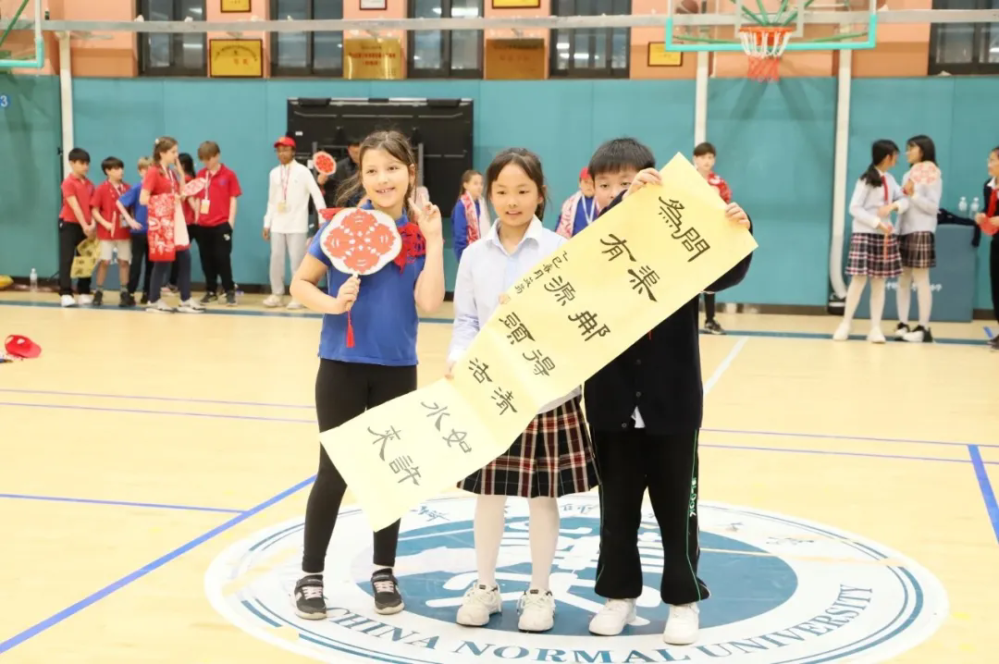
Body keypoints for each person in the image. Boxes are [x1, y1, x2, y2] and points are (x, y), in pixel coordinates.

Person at [582, 138, 752, 645]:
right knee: (617, 512)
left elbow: (727, 271)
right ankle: (619, 595)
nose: (620, 191)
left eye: (630, 181)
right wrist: (621, 205)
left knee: (678, 512)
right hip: (611, 401)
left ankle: (682, 599)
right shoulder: (593, 240)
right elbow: (590, 257)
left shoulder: (681, 245)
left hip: (673, 403)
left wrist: (738, 230)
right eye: (607, 185)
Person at [288, 130, 446, 620]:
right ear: (362, 176)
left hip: (397, 369)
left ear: (410, 174)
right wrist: (333, 303)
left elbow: (428, 302)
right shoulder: (341, 227)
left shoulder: (418, 235)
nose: (383, 179)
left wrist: (435, 241)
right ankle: (310, 575)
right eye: (372, 170)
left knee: (387, 474)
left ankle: (383, 571)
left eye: (393, 168)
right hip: (341, 365)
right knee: (333, 472)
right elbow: (300, 283)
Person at [447, 149, 598, 633]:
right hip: (491, 390)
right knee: (488, 494)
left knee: (542, 496)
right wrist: (458, 360)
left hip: (545, 392)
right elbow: (466, 321)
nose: (512, 201)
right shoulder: (474, 255)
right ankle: (485, 586)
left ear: (540, 194)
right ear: (488, 195)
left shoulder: (559, 249)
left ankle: (539, 591)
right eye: (502, 192)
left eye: (522, 191)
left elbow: (574, 321)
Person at [834, 139, 905, 343]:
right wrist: (876, 222)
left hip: (883, 237)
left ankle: (875, 328)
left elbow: (903, 199)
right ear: (887, 157)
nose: (897, 159)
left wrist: (895, 206)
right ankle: (845, 324)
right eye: (895, 155)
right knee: (858, 281)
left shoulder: (891, 179)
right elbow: (854, 208)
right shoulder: (866, 180)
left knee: (879, 283)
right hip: (865, 234)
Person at [140, 137, 204, 314]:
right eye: (173, 152)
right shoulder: (153, 172)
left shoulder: (170, 172)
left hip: (175, 219)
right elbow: (143, 199)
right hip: (162, 222)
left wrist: (181, 175)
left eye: (177, 151)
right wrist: (169, 199)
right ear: (162, 153)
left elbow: (180, 193)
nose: (176, 155)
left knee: (185, 257)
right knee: (162, 261)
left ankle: (185, 299)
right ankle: (153, 300)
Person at [263, 136, 327, 309]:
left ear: (293, 151)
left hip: (297, 224)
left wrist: (322, 219)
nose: (282, 153)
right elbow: (271, 201)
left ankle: (298, 296)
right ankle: (277, 294)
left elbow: (316, 194)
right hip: (277, 224)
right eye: (279, 150)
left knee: (297, 261)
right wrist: (267, 222)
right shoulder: (274, 173)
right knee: (276, 259)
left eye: (285, 150)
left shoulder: (303, 172)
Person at [895, 135, 942, 343]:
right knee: (903, 278)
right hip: (904, 231)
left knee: (921, 279)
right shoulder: (907, 174)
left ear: (923, 150)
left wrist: (913, 195)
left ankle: (924, 328)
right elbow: (903, 203)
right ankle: (902, 323)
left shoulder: (933, 174)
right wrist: (896, 230)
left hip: (922, 230)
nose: (907, 153)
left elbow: (933, 207)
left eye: (911, 148)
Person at [693, 142, 732, 335]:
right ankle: (687, 322)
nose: (706, 161)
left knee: (709, 279)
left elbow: (725, 209)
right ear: (695, 159)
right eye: (703, 157)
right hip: (687, 234)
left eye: (710, 157)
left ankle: (710, 319)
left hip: (709, 236)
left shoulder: (719, 183)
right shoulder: (687, 179)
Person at [196, 141, 241, 306]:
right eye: (203, 159)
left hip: (221, 224)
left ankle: (229, 290)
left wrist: (230, 222)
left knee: (223, 258)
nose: (206, 162)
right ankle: (211, 290)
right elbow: (196, 198)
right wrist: (197, 218)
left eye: (209, 158)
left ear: (217, 156)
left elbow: (233, 199)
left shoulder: (229, 175)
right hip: (203, 224)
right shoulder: (201, 175)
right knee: (206, 259)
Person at [90, 156, 138, 307]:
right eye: (116, 168)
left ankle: (124, 291)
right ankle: (99, 291)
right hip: (107, 232)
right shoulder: (101, 188)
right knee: (104, 261)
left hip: (124, 231)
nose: (121, 171)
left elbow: (132, 209)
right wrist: (105, 223)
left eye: (121, 168)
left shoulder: (128, 188)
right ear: (108, 171)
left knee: (124, 261)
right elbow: (95, 210)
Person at [58, 147, 96, 308]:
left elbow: (93, 207)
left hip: (87, 226)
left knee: (85, 258)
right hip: (69, 223)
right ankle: (66, 293)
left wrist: (92, 224)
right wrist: (84, 225)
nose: (85, 166)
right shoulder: (68, 183)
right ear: (72, 163)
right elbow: (75, 206)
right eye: (81, 163)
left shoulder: (90, 184)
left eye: (87, 163)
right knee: (67, 258)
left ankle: (84, 291)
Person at [118, 157, 153, 304]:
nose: (149, 172)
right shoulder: (137, 188)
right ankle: (130, 293)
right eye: (146, 169)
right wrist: (130, 220)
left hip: (154, 231)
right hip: (139, 231)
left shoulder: (156, 188)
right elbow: (120, 203)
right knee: (136, 263)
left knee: (152, 265)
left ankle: (148, 293)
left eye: (151, 169)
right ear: (140, 171)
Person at [975, 145, 999, 350]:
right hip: (997, 241)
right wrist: (982, 216)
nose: (988, 163)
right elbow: (989, 211)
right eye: (989, 159)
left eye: (992, 160)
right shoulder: (988, 186)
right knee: (996, 286)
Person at [450, 169, 489, 264]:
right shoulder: (461, 206)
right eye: (475, 183)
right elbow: (460, 236)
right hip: (468, 255)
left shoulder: (481, 204)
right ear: (466, 185)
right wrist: (464, 259)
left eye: (481, 184)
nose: (479, 187)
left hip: (483, 253)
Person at [319, 136, 362, 208]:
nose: (357, 156)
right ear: (349, 150)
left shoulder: (372, 164)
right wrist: (321, 183)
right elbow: (328, 189)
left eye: (360, 153)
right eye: (355, 153)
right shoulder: (339, 167)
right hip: (345, 205)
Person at [555, 167, 598, 239]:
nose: (589, 186)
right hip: (575, 242)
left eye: (592, 183)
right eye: (586, 182)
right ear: (580, 183)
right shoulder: (569, 204)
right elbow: (561, 223)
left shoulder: (603, 202)